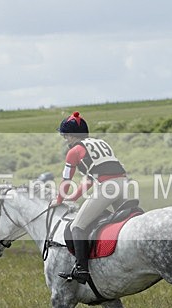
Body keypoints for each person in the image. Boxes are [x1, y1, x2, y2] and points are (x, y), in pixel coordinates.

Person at [50, 111, 128, 283]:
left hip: (107, 189)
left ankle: (81, 269)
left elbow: (66, 180)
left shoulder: (74, 152)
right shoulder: (101, 143)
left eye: (66, 136)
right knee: (127, 221)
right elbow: (89, 180)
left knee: (77, 226)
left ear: (72, 135)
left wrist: (59, 201)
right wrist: (74, 197)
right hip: (124, 184)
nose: (65, 140)